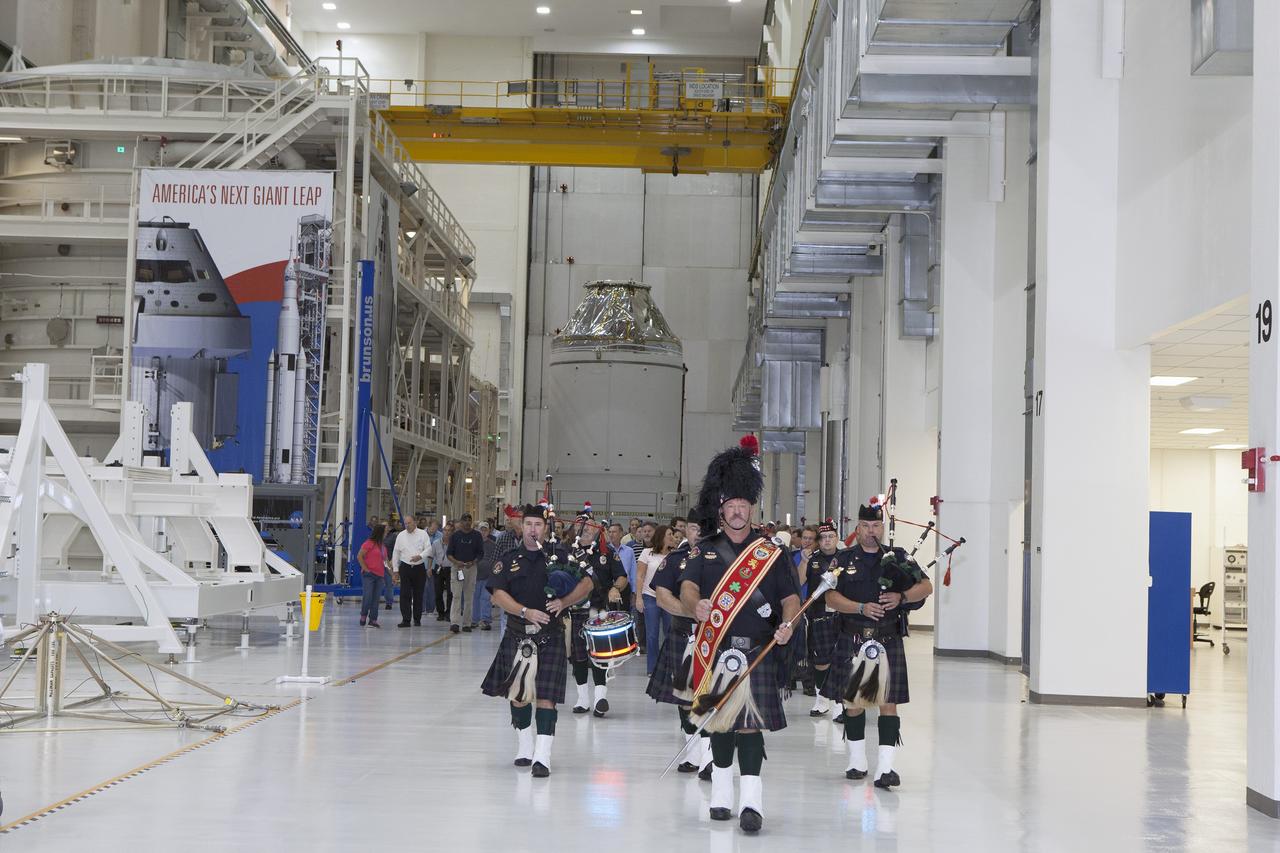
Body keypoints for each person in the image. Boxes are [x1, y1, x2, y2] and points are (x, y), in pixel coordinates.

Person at [680, 435, 800, 834]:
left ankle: (751, 803)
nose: (736, 511)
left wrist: (789, 624)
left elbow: (789, 598)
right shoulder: (704, 550)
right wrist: (694, 605)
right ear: (721, 508)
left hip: (758, 650)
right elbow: (688, 589)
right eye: (730, 505)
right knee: (719, 722)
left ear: (751, 508)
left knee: (749, 725)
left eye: (742, 505)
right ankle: (720, 795)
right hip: (716, 649)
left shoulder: (771, 552)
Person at [820, 500, 933, 788]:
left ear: (882, 528)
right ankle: (857, 761)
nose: (871, 531)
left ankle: (886, 768)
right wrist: (859, 608)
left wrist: (902, 598)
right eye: (866, 526)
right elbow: (829, 598)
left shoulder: (898, 557)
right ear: (857, 528)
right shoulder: (843, 561)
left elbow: (926, 585)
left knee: (888, 703)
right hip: (854, 638)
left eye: (876, 526)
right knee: (853, 703)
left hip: (888, 638)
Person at [481, 504, 594, 778]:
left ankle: (542, 757)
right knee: (519, 696)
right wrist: (524, 611)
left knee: (547, 698)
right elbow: (497, 594)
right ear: (522, 526)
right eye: (529, 524)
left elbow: (588, 583)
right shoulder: (508, 558)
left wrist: (564, 601)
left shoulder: (562, 556)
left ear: (545, 528)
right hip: (518, 633)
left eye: (538, 525)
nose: (533, 529)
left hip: (551, 635)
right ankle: (525, 746)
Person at [646, 510, 715, 779]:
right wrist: (693, 612)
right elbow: (662, 598)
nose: (698, 533)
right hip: (683, 634)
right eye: (694, 528)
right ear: (685, 530)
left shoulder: (721, 560)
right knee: (685, 700)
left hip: (714, 637)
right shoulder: (675, 560)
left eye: (703, 528)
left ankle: (710, 757)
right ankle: (693, 753)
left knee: (708, 697)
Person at [563, 507, 629, 716]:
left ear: (597, 529)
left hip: (598, 611)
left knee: (599, 656)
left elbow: (622, 577)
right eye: (581, 525)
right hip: (574, 611)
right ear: (574, 527)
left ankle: (601, 697)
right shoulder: (565, 552)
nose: (586, 529)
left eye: (590, 526)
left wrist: (615, 588)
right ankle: (582, 699)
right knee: (579, 658)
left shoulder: (606, 552)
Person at [804, 521, 844, 716]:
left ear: (837, 539)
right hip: (819, 614)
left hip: (842, 614)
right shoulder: (812, 560)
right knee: (821, 660)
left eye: (831, 537)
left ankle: (839, 703)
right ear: (819, 541)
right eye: (824, 538)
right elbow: (800, 581)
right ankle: (821, 700)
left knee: (842, 658)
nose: (827, 540)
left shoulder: (846, 558)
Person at [637, 524, 677, 676]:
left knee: (670, 632)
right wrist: (639, 598)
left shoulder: (675, 555)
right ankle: (652, 668)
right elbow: (640, 576)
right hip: (650, 596)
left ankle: (669, 666)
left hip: (669, 597)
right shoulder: (647, 553)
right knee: (652, 634)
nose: (672, 537)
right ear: (661, 537)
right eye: (669, 535)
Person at [448, 513, 486, 634]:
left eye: (469, 520)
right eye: (464, 520)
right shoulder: (455, 536)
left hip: (471, 568)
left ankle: (466, 623)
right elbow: (449, 553)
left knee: (469, 597)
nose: (467, 522)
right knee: (456, 595)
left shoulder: (477, 536)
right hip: (457, 568)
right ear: (461, 522)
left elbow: (481, 553)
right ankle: (454, 622)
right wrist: (456, 562)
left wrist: (473, 562)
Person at [390, 514, 430, 627]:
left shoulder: (423, 534)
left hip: (419, 567)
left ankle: (417, 619)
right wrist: (396, 570)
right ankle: (406, 619)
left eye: (409, 523)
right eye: (405, 523)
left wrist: (420, 556)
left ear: (415, 522)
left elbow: (429, 549)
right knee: (404, 594)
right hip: (405, 567)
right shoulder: (401, 536)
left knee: (418, 594)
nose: (407, 525)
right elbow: (396, 552)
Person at [358, 524, 388, 628]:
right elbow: (360, 556)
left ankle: (373, 619)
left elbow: (386, 562)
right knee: (368, 596)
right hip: (369, 575)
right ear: (380, 533)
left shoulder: (383, 547)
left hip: (380, 576)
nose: (386, 534)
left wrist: (393, 573)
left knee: (376, 599)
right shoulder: (368, 543)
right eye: (385, 532)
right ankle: (363, 615)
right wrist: (366, 569)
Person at [474, 521, 496, 631]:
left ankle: (485, 620)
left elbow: (497, 560)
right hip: (474, 575)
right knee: (475, 597)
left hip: (488, 576)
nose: (483, 532)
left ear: (488, 531)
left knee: (485, 598)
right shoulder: (474, 543)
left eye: (485, 530)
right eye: (481, 529)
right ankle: (474, 619)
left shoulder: (493, 545)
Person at [430, 521, 453, 622]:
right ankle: (440, 613)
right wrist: (429, 568)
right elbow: (431, 556)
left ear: (452, 532)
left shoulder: (454, 543)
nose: (447, 533)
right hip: (438, 568)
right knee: (438, 592)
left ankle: (448, 613)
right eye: (445, 530)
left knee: (450, 592)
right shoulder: (436, 543)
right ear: (442, 531)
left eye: (449, 531)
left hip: (450, 569)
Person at [383, 519, 400, 611]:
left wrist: (392, 561)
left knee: (389, 584)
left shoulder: (393, 537)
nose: (384, 528)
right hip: (378, 564)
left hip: (388, 562)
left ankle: (389, 603)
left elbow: (396, 550)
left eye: (386, 526)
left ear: (389, 528)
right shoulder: (377, 537)